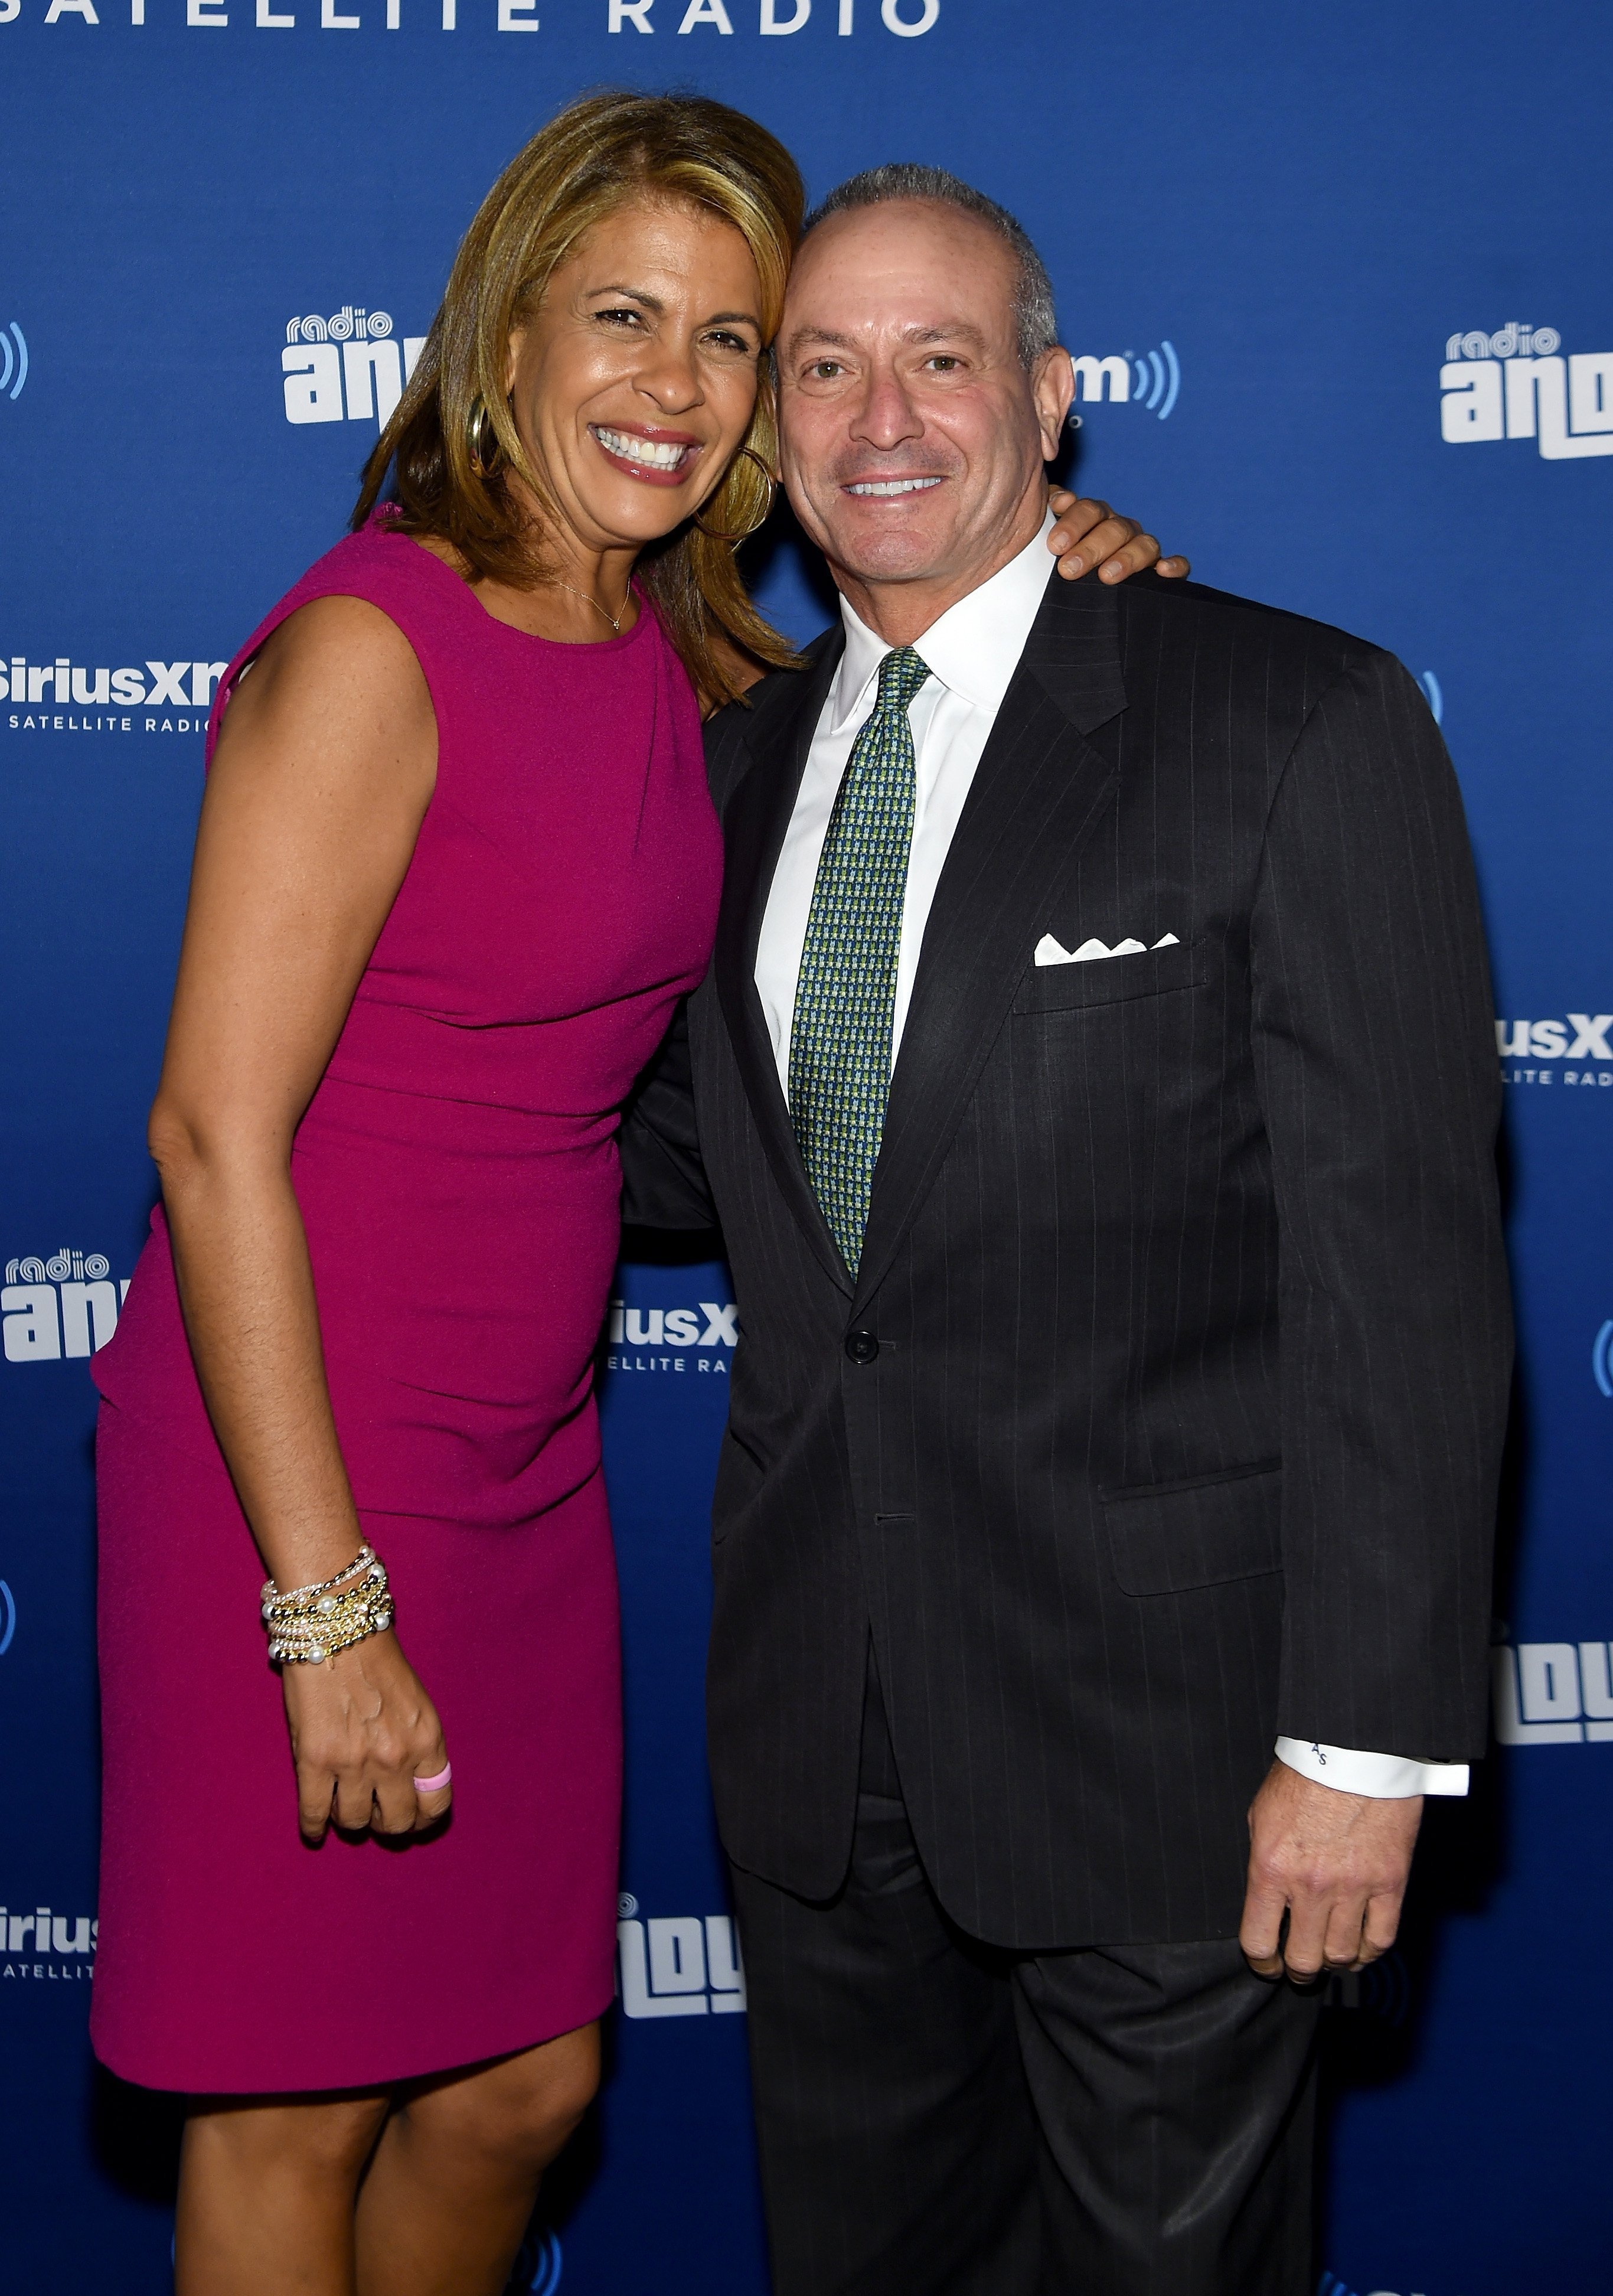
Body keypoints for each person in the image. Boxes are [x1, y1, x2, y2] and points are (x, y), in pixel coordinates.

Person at [89, 96, 1172, 2296]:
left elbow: (909, 736)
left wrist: (1059, 558)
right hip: (295, 1457)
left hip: (523, 1464)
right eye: (619, 319)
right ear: (507, 339)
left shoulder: (688, 665)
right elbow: (212, 1136)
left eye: (728, 339)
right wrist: (328, 1609)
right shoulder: (377, 651)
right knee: (290, 2101)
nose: (669, 389)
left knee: (520, 2086)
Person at [621, 165, 1512, 2295]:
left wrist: (1361, 1749)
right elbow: (677, 1169)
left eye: (939, 359)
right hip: (822, 1759)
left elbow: (1400, 1272)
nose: (877, 421)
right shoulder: (728, 767)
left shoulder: (1292, 718)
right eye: (819, 368)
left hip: (1180, 1766)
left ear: (1052, 396)